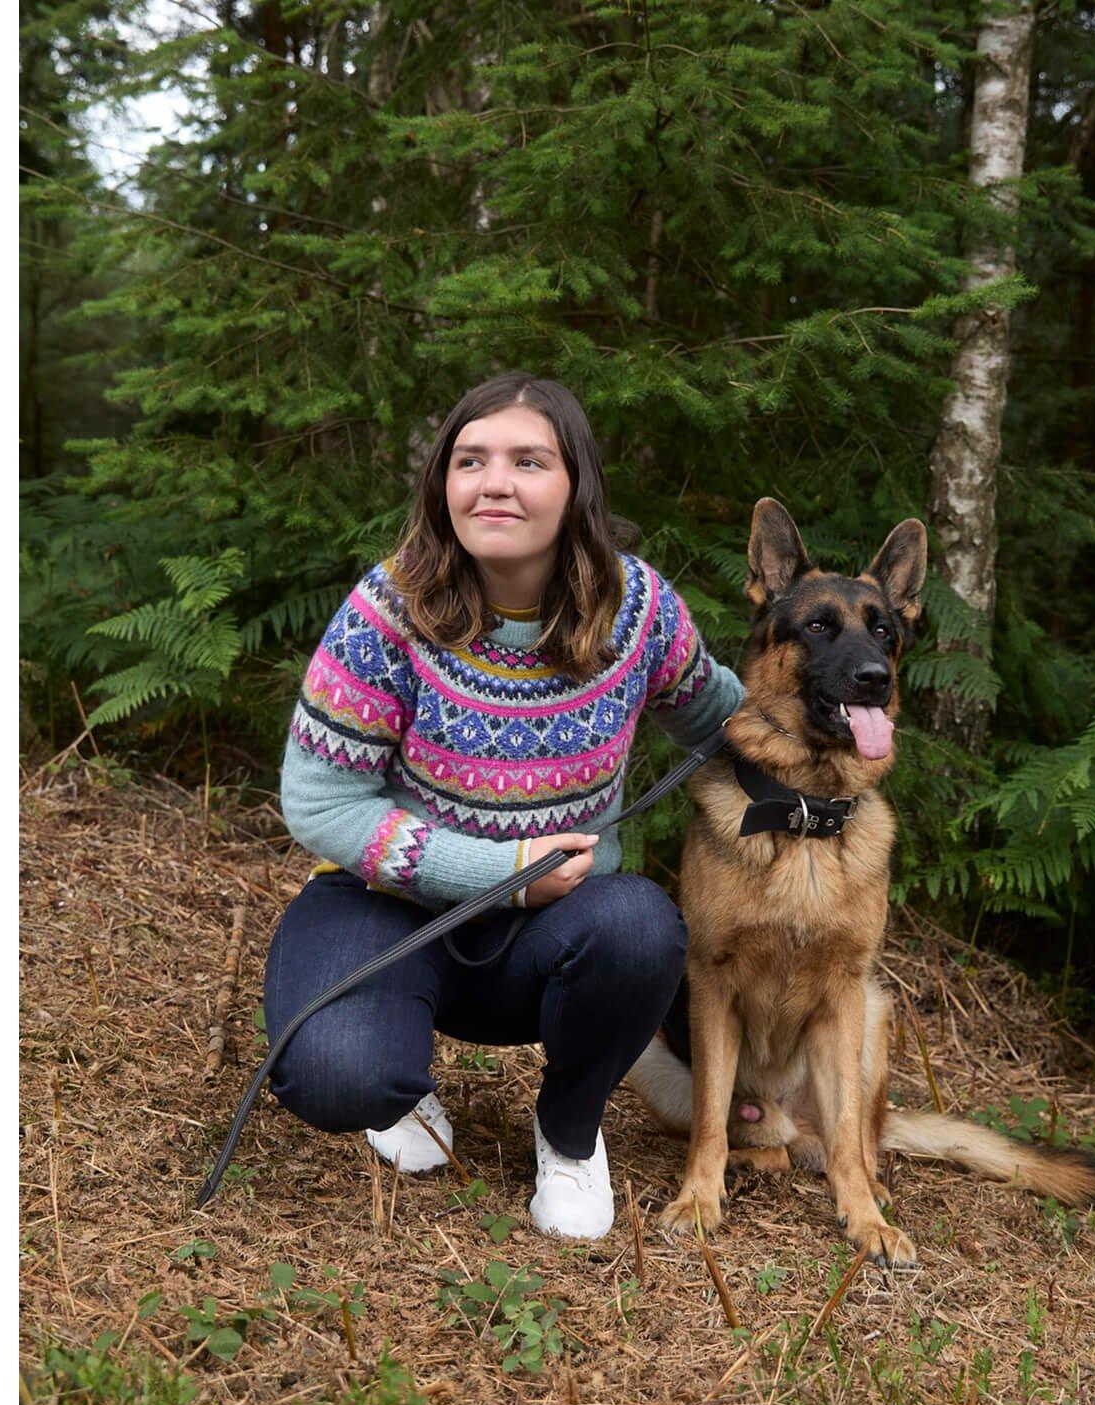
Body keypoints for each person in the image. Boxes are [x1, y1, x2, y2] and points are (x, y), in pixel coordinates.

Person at [267, 372, 743, 1241]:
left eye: (530, 460)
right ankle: (398, 1088)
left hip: (565, 935)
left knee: (641, 928)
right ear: (442, 483)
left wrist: (837, 721)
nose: (495, 482)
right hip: (394, 915)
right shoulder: (387, 611)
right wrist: (500, 871)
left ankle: (569, 1132)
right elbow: (319, 800)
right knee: (335, 1073)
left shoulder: (636, 611)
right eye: (470, 459)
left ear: (576, 488)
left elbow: (716, 712)